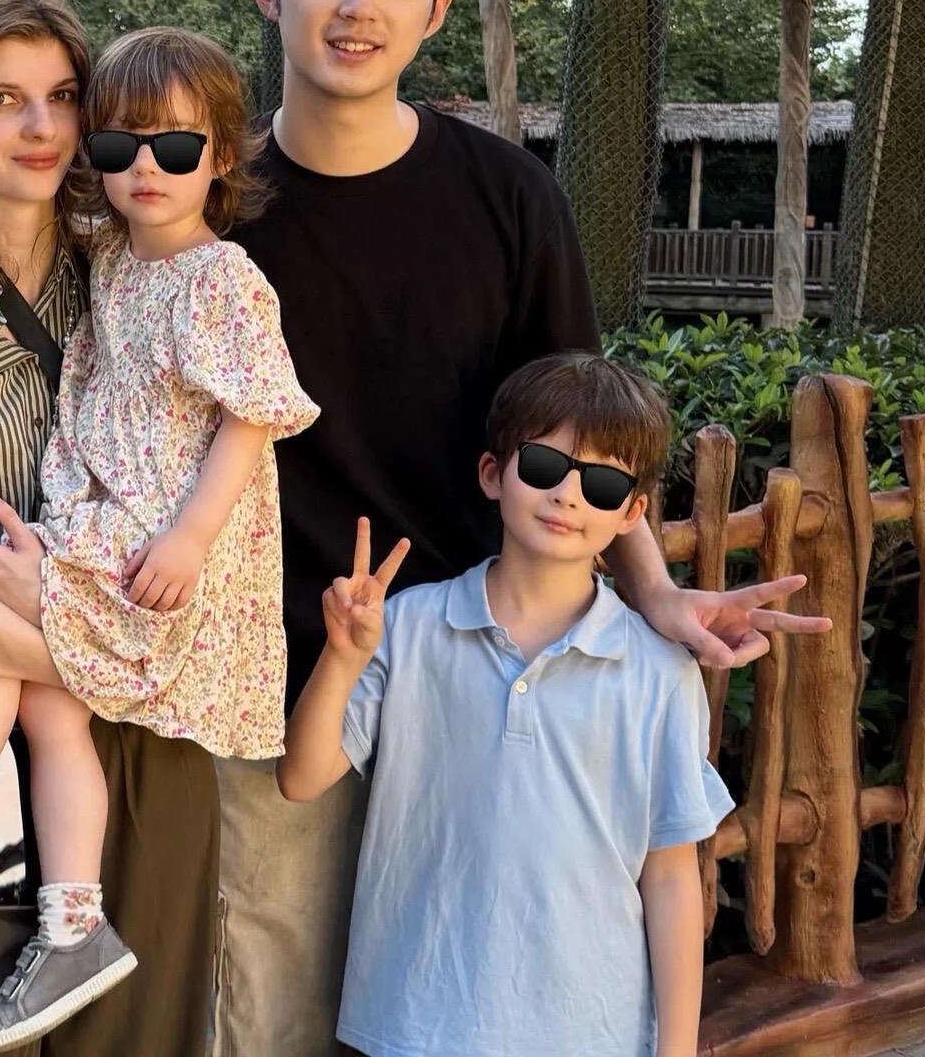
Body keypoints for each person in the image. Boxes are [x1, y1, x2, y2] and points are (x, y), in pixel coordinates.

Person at [0, 0, 827, 1055]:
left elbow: (575, 427)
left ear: (439, 6)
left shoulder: (512, 200)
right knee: (266, 1009)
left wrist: (653, 590)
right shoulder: (191, 207)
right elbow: (61, 317)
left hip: (458, 682)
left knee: (461, 997)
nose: (360, 6)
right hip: (261, 688)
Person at [0, 23, 314, 1051]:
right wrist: (98, 652)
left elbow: (246, 415)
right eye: (3, 98)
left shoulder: (120, 259)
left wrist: (126, 656)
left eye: (61, 97)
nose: (42, 126)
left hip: (142, 720)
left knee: (138, 1035)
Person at [278, 352, 740, 1057]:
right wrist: (342, 656)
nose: (569, 496)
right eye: (546, 466)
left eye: (603, 482)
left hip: (591, 1034)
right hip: (412, 1023)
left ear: (631, 513)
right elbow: (301, 777)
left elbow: (671, 875)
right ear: (494, 474)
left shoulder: (659, 672)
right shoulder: (408, 626)